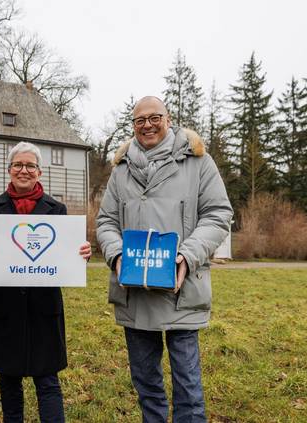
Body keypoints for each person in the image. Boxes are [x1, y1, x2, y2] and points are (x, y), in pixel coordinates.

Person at [96, 96, 233, 422]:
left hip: (181, 291)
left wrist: (186, 257)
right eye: (140, 120)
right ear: (133, 126)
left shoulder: (198, 162)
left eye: (154, 117)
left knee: (188, 387)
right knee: (146, 385)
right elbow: (106, 222)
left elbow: (218, 214)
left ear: (168, 120)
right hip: (135, 291)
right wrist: (116, 257)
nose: (147, 124)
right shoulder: (121, 169)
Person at [0, 141, 92, 423]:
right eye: (18, 165)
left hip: (42, 307)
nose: (23, 170)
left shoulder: (57, 209)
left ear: (39, 172)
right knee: (9, 379)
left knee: (47, 379)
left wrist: (80, 253)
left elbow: (64, 254)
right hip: (4, 307)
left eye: (30, 165)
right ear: (9, 170)